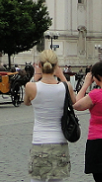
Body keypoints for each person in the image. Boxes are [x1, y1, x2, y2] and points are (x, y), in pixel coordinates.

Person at [24, 49, 74, 182]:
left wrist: (35, 76)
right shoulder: (65, 86)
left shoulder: (31, 87)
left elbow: (27, 102)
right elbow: (74, 101)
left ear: (39, 65)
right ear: (56, 66)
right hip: (59, 141)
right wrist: (62, 76)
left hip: (39, 141)